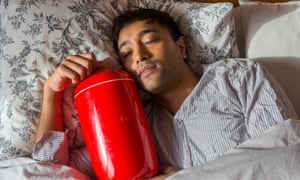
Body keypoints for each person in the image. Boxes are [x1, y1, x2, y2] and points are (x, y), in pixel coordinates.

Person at [32, 8, 298, 179]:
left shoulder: (237, 76)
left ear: (180, 46)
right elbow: (48, 170)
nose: (140, 56)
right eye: (126, 54)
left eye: (150, 40)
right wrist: (52, 94)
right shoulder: (133, 122)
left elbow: (283, 154)